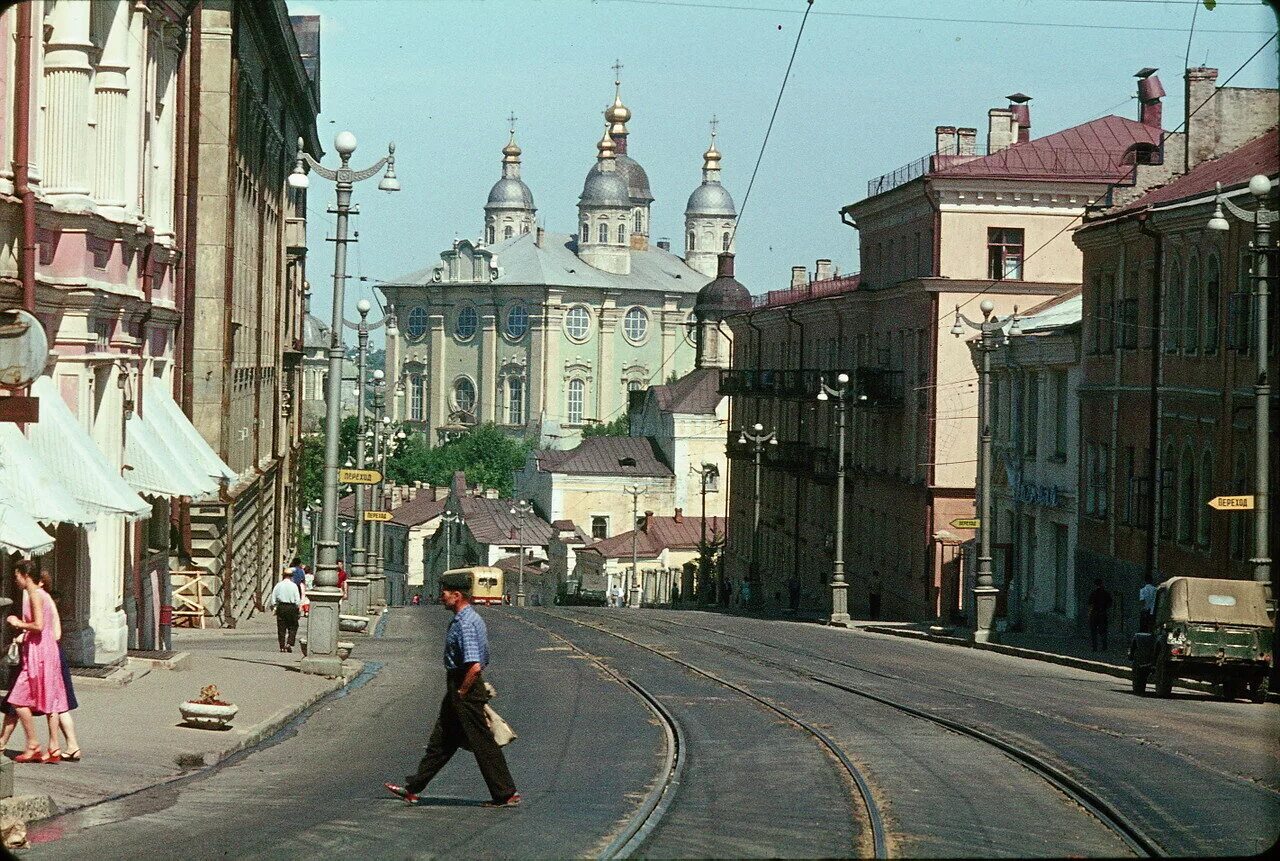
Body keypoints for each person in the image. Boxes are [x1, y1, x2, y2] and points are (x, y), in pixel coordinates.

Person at [384, 571, 520, 807]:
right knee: (443, 741)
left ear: (457, 596)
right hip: (461, 685)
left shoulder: (465, 624)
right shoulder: (471, 618)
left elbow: (475, 665)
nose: (441, 597)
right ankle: (413, 788)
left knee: (482, 743)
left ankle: (506, 793)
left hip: (464, 686)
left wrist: (462, 691)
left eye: (445, 593)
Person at [3, 562, 70, 762]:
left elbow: (39, 625)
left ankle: (35, 743)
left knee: (17, 698)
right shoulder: (43, 595)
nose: (16, 581)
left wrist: (18, 623)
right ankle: (52, 746)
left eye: (17, 576)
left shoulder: (34, 594)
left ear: (25, 575)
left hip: (39, 652)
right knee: (49, 697)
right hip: (47, 650)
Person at [268, 568, 302, 653]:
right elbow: (297, 600)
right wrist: (298, 609)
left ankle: (282, 646)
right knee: (293, 626)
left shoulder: (278, 585)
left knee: (281, 627)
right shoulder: (294, 586)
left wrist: (274, 606)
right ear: (291, 576)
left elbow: (273, 597)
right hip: (291, 607)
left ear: (283, 576)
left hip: (281, 607)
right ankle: (289, 643)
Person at [1087, 579, 1114, 652]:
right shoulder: (1106, 593)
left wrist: (1089, 614)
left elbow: (1091, 604)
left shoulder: (1093, 593)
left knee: (1093, 631)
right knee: (1103, 630)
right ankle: (1104, 646)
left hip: (1094, 613)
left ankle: (1094, 647)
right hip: (1103, 613)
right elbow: (1110, 604)